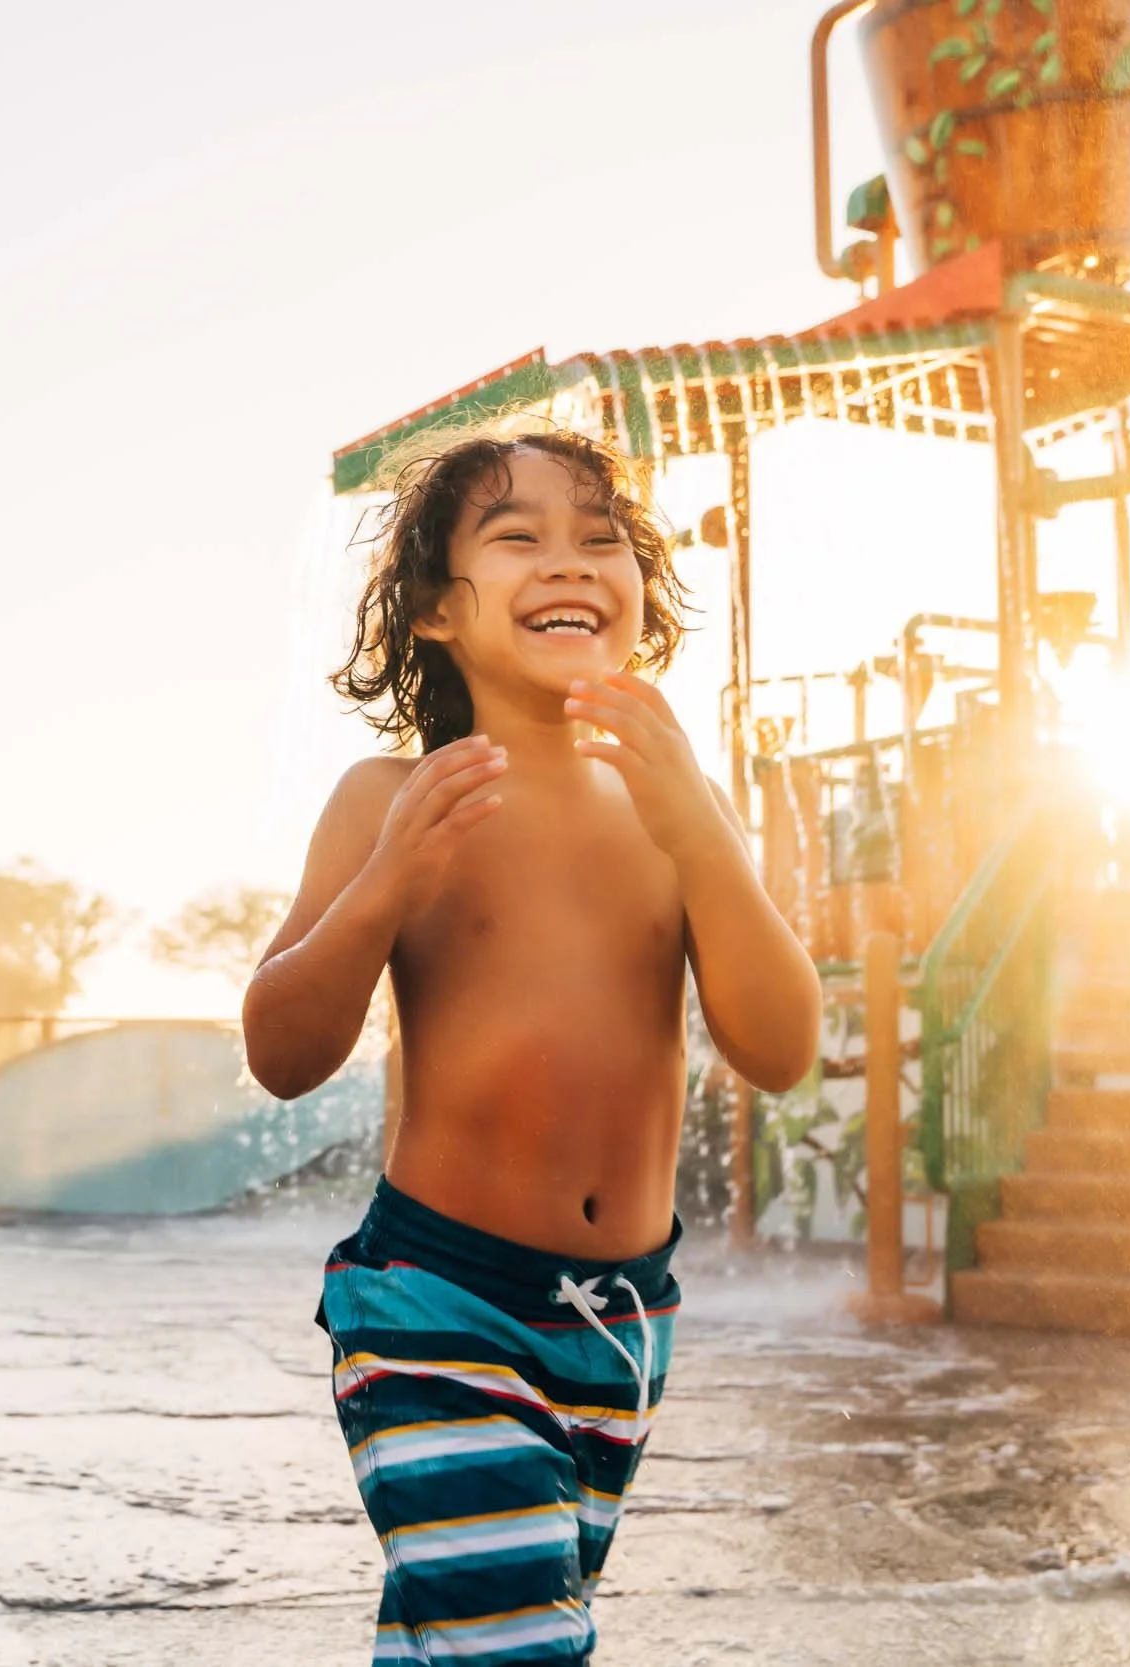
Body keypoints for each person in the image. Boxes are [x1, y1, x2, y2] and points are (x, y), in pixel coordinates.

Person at [243, 423, 821, 1663]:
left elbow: (780, 1048)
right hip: (438, 1302)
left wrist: (707, 841)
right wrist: (385, 887)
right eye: (518, 539)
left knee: (480, 1632)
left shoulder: (676, 805)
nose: (569, 561)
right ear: (436, 612)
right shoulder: (390, 800)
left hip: (622, 1324)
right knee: (514, 1640)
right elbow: (281, 1048)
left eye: (599, 541)